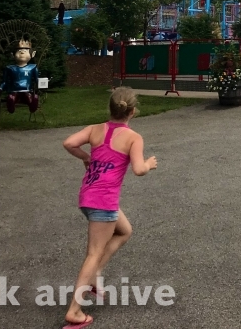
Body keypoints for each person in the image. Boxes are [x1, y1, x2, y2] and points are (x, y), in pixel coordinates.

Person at [61, 88, 157, 328]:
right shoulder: (133, 137)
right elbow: (138, 169)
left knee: (125, 231)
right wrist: (148, 164)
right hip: (103, 203)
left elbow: (69, 143)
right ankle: (75, 310)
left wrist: (86, 156)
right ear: (132, 112)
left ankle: (94, 276)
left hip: (88, 197)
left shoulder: (95, 129)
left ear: (111, 109)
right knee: (93, 254)